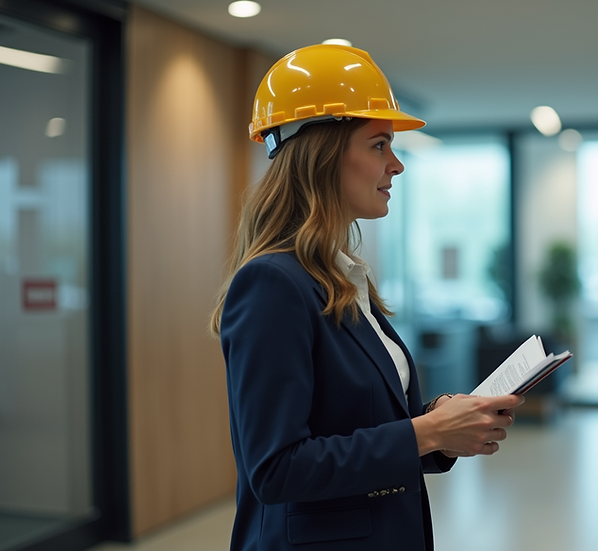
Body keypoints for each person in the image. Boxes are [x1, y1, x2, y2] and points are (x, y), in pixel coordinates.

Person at [209, 44, 523, 551]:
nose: (396, 165)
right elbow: (276, 469)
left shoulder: (339, 277)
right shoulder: (272, 284)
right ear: (324, 155)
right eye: (379, 145)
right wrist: (427, 432)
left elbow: (355, 427)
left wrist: (440, 423)